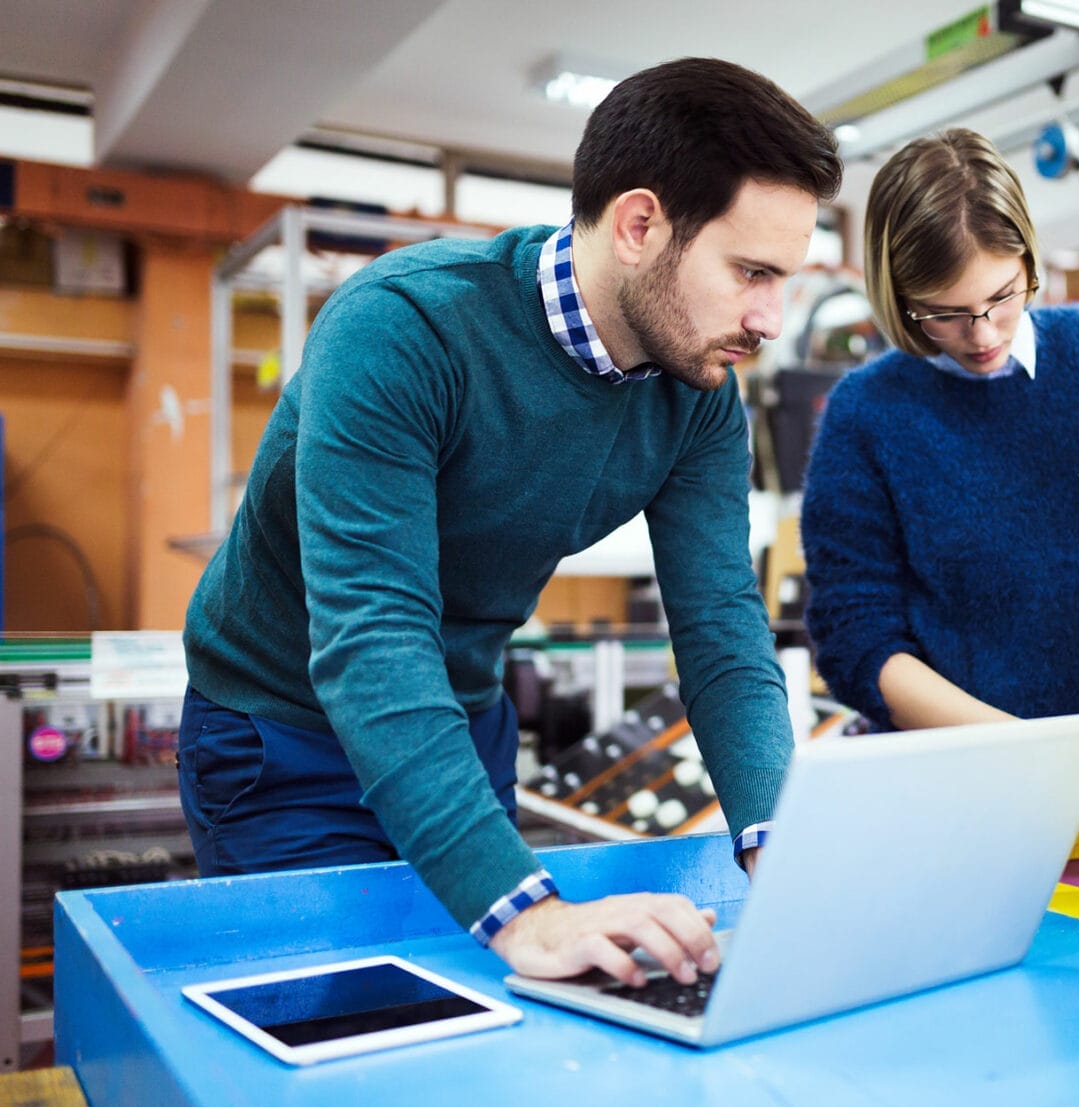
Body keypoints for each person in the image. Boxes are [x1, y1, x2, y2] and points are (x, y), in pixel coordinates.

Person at [178, 58, 841, 986]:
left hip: (460, 724)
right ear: (640, 224)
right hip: (285, 734)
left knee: (490, 1012)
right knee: (341, 1034)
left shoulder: (696, 392)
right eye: (751, 272)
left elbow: (725, 631)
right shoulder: (405, 330)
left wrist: (779, 847)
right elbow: (374, 635)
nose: (771, 318)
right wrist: (526, 916)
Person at [801, 128, 1079, 827]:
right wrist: (1035, 754)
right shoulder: (868, 414)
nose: (982, 334)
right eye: (944, 313)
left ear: (1029, 257)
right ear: (897, 293)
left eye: (1003, 295)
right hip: (974, 811)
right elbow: (858, 643)